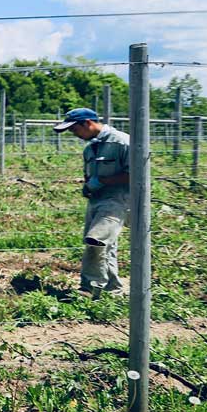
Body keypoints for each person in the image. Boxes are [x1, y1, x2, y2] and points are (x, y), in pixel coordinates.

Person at [52, 107, 129, 297]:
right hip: (96, 199)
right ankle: (113, 291)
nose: (74, 134)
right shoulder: (89, 149)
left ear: (87, 123)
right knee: (106, 246)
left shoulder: (121, 142)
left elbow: (136, 174)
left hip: (118, 200)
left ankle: (89, 288)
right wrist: (89, 185)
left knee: (96, 240)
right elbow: (89, 175)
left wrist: (101, 181)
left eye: (75, 129)